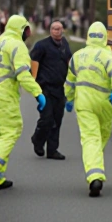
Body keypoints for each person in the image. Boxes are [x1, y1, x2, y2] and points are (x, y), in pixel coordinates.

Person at [0, 15, 46, 190]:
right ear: (20, 29)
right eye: (27, 30)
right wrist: (38, 93)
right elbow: (23, 75)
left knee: (0, 134)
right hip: (4, 92)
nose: (28, 33)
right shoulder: (17, 46)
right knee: (12, 130)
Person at [63, 22, 112, 197]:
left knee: (91, 139)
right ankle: (96, 173)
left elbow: (69, 81)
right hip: (104, 104)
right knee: (102, 136)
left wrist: (68, 98)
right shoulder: (108, 57)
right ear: (105, 37)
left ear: (88, 36)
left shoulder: (77, 56)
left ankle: (94, 175)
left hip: (83, 104)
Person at [30, 20, 73, 160]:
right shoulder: (41, 46)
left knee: (57, 119)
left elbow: (69, 62)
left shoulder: (64, 45)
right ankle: (38, 139)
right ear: (50, 30)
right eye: (54, 29)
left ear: (63, 30)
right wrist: (34, 85)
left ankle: (52, 150)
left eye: (59, 29)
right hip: (45, 88)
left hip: (60, 88)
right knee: (47, 118)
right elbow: (34, 64)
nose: (57, 31)